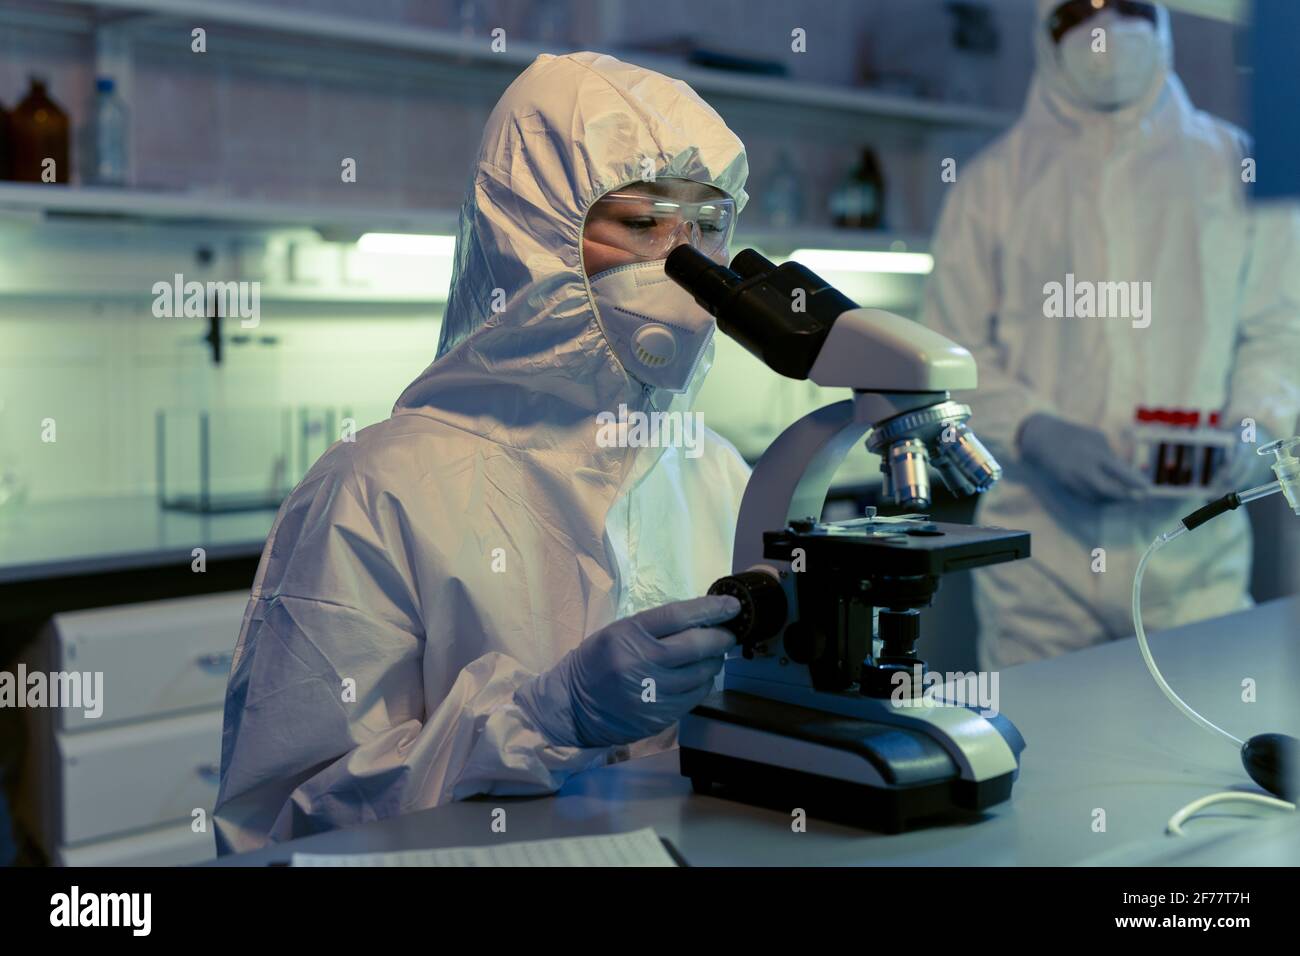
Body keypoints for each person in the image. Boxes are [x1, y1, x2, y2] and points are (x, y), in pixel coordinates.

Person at [213, 52, 753, 854]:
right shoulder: (377, 490)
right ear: (534, 232)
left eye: (707, 227)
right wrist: (546, 719)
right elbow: (289, 820)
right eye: (643, 223)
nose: (689, 263)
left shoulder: (718, 473)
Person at [923, 0, 1300, 668]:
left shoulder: (1235, 164)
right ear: (1046, 35)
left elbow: (1280, 328)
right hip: (1037, 561)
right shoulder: (990, 184)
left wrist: (1253, 424)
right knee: (1044, 757)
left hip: (1194, 555)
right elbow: (947, 354)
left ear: (1163, 21)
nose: (1106, 28)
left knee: (1198, 757)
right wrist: (1035, 428)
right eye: (1080, 10)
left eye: (1129, 6)